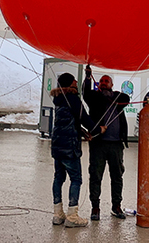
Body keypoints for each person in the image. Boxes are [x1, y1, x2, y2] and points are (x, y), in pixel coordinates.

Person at [50, 72, 106, 228]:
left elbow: (67, 121)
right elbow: (84, 118)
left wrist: (82, 132)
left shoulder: (59, 100)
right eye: (74, 80)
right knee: (76, 179)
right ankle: (72, 215)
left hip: (57, 145)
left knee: (58, 178)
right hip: (69, 147)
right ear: (70, 83)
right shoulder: (73, 99)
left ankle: (57, 213)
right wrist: (97, 130)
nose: (76, 81)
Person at [83, 65, 130, 220]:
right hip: (98, 143)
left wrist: (109, 95)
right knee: (96, 176)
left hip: (116, 144)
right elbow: (86, 93)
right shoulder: (94, 98)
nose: (103, 82)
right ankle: (95, 207)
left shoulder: (117, 98)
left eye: (106, 81)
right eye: (101, 81)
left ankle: (116, 206)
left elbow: (126, 99)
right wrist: (88, 78)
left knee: (117, 176)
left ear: (111, 85)